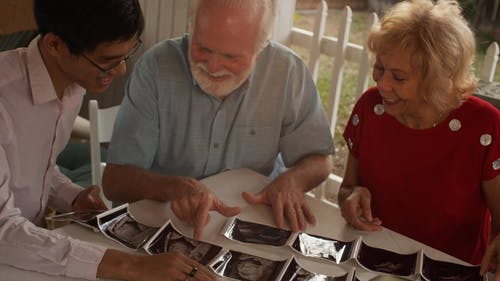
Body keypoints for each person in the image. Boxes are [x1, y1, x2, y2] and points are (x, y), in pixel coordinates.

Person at [0, 0, 215, 280]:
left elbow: (28, 163)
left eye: (126, 55)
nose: (121, 71)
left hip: (29, 248)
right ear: (55, 45)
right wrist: (131, 265)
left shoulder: (72, 82)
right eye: (106, 61)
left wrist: (72, 196)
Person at [102, 0, 334, 240]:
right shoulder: (156, 68)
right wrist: (172, 187)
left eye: (231, 57)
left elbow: (319, 159)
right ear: (192, 28)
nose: (213, 66)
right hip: (167, 229)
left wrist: (293, 181)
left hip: (250, 229)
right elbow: (114, 181)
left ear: (261, 47)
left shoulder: (287, 71)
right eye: (202, 48)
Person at [337, 0, 499, 273]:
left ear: (436, 80)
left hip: (452, 270)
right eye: (380, 68)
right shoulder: (370, 108)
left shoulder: (485, 127)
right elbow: (346, 189)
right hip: (375, 262)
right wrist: (350, 198)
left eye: (398, 78)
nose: (383, 84)